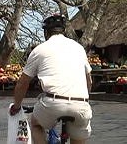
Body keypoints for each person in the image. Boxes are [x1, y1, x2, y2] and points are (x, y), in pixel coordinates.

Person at [9, 14, 93, 144]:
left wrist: (17, 105)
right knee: (78, 137)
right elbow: (89, 81)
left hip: (53, 103)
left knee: (36, 124)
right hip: (81, 104)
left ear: (46, 32)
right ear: (64, 30)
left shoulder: (39, 50)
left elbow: (22, 83)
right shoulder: (79, 48)